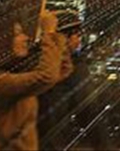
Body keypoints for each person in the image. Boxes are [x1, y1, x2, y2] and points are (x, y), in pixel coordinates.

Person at [0, 11, 73, 150]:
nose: (25, 38)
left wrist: (56, 33)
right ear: (0, 42)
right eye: (17, 34)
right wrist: (49, 33)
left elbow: (63, 70)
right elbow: (47, 77)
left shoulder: (9, 77)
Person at [38, 10, 102, 151]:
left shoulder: (37, 62)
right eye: (77, 35)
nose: (78, 41)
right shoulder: (74, 69)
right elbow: (89, 109)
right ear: (65, 37)